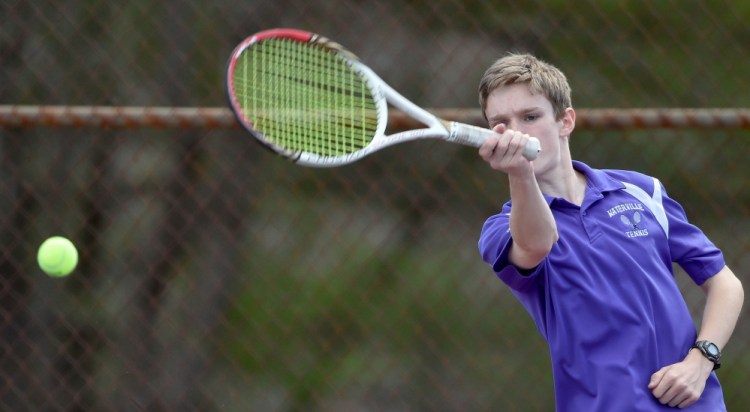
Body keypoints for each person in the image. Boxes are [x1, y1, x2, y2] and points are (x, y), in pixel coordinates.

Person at [475, 53, 744, 411]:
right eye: (501, 123)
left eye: (530, 117)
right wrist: (521, 174)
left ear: (565, 121)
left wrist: (701, 361)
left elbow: (725, 283)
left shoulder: (642, 191)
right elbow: (539, 243)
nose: (517, 132)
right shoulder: (501, 231)